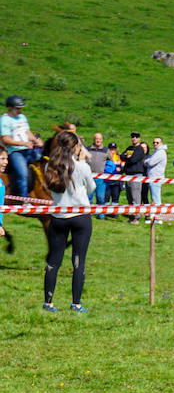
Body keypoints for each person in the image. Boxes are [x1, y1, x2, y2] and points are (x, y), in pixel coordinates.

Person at [41, 130, 95, 313]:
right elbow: (91, 188)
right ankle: (76, 303)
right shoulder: (82, 166)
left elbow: (50, 189)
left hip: (59, 216)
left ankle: (48, 302)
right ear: (75, 147)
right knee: (78, 261)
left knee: (54, 261)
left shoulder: (50, 166)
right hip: (80, 216)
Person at [2, 95, 43, 199]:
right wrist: (23, 144)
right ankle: (23, 198)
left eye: (20, 108)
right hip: (15, 152)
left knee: (45, 160)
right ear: (10, 108)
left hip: (28, 149)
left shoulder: (22, 117)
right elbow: (6, 139)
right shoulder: (4, 120)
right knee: (22, 173)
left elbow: (27, 132)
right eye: (17, 108)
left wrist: (35, 141)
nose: (20, 111)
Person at [121, 132, 147, 220]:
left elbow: (133, 159)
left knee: (136, 196)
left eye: (136, 137)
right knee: (129, 196)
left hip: (136, 175)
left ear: (139, 138)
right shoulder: (130, 148)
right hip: (128, 174)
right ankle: (131, 216)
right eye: (132, 137)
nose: (134, 138)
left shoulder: (140, 149)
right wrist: (127, 157)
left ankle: (136, 216)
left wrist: (128, 157)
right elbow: (121, 156)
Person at [144, 136, 167, 222]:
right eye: (154, 142)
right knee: (154, 198)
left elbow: (150, 162)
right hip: (152, 177)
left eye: (157, 142)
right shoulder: (156, 152)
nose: (155, 144)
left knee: (156, 199)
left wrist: (146, 161)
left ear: (161, 143)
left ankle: (158, 218)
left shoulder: (160, 152)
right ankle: (154, 217)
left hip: (156, 178)